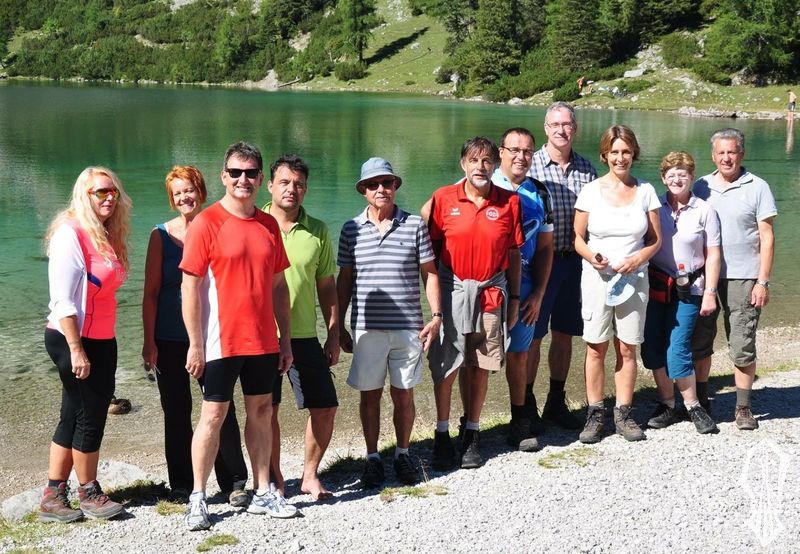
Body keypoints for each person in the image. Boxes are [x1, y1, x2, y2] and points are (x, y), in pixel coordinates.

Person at [181, 142, 298, 531]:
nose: (242, 179)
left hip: (263, 339)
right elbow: (189, 288)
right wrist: (195, 343)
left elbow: (279, 286)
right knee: (213, 415)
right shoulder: (206, 223)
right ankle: (198, 497)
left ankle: (263, 491)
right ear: (224, 176)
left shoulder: (268, 225)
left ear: (261, 178)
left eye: (250, 173)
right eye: (235, 173)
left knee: (262, 412)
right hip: (220, 340)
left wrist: (285, 340)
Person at [141, 166, 248, 504]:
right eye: (177, 193)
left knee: (220, 408)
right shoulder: (160, 236)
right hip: (169, 338)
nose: (184, 197)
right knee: (175, 412)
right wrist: (148, 341)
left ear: (200, 191)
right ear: (171, 200)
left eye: (189, 190)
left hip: (211, 333)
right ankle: (182, 485)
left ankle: (234, 482)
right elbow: (151, 293)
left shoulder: (219, 227)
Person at [337, 157, 441, 488]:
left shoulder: (414, 225)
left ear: (395, 185)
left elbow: (430, 274)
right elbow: (344, 280)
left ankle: (402, 454)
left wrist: (436, 316)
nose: (380, 189)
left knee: (404, 394)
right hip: (366, 328)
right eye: (373, 184)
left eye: (386, 182)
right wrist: (337, 325)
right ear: (363, 191)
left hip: (409, 327)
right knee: (369, 396)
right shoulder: (351, 229)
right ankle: (372, 458)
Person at [424, 137, 524, 470]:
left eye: (486, 161)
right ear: (463, 164)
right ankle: (441, 433)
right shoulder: (443, 198)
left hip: (490, 293)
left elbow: (514, 254)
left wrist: (515, 299)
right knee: (447, 365)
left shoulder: (510, 202)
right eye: (473, 160)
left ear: (495, 165)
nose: (480, 167)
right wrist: (434, 304)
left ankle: (472, 432)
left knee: (481, 364)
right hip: (452, 291)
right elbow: (429, 253)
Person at [39, 167, 131, 522]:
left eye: (113, 192)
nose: (109, 198)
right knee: (90, 416)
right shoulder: (70, 233)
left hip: (101, 338)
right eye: (101, 192)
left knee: (73, 413)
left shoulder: (103, 234)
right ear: (84, 195)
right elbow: (62, 300)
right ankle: (89, 492)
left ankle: (53, 494)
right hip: (73, 339)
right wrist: (77, 349)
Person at [573, 125, 661, 444]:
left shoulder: (646, 191)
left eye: (626, 152)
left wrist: (638, 259)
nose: (620, 158)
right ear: (604, 155)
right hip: (597, 278)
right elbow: (577, 238)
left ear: (634, 153)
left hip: (634, 279)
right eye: (614, 152)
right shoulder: (590, 191)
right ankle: (595, 414)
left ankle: (624, 413)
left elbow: (655, 240)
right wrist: (592, 256)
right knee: (596, 346)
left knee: (627, 346)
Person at [264, 155, 339, 500]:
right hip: (262, 335)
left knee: (325, 406)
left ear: (305, 189)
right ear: (270, 185)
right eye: (284, 182)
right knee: (265, 410)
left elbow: (327, 287)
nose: (291, 189)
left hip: (304, 334)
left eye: (298, 184)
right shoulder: (255, 222)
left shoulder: (318, 230)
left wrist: (334, 333)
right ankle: (274, 477)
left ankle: (309, 475)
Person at [692, 128, 777, 430]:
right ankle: (701, 402)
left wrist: (762, 281)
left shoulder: (758, 187)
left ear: (742, 153)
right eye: (721, 152)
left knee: (742, 343)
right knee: (700, 341)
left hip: (744, 277)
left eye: (732, 152)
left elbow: (767, 237)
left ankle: (743, 407)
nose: (726, 158)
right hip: (705, 276)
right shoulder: (701, 186)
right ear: (713, 155)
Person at [527, 102, 597, 432]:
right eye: (555, 124)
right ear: (545, 128)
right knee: (532, 336)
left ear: (575, 129)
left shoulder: (587, 169)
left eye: (567, 124)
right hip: (541, 262)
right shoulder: (530, 164)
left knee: (565, 334)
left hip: (575, 263)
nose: (561, 130)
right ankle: (525, 403)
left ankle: (555, 401)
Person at [641, 152, 719, 434]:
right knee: (652, 347)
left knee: (678, 348)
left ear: (691, 177)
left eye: (682, 174)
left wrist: (710, 292)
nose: (676, 179)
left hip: (690, 288)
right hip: (656, 285)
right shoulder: (654, 207)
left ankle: (693, 406)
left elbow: (713, 254)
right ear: (663, 178)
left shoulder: (705, 210)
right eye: (671, 174)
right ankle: (667, 404)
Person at [492, 128, 553, 452]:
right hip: (488, 283)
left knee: (519, 354)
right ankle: (470, 426)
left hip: (526, 285)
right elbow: (433, 211)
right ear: (501, 152)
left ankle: (519, 420)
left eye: (527, 151)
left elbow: (545, 248)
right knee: (477, 358)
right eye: (514, 150)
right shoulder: (483, 183)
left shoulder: (540, 193)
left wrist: (539, 293)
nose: (521, 157)